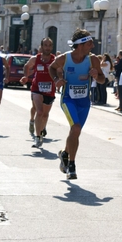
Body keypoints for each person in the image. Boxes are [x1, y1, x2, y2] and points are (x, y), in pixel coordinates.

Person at [48, 28, 105, 179]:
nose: (92, 46)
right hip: (68, 99)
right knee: (76, 128)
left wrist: (96, 75)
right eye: (89, 43)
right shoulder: (65, 59)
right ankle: (71, 165)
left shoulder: (93, 60)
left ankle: (65, 154)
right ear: (80, 45)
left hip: (84, 102)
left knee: (75, 131)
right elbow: (51, 68)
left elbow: (102, 79)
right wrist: (56, 80)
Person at [21, 37, 56, 148]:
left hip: (50, 90)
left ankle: (41, 129)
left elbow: (60, 71)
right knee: (39, 112)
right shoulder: (36, 59)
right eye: (45, 45)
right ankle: (37, 137)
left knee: (45, 115)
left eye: (49, 45)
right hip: (36, 88)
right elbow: (27, 66)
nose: (47, 47)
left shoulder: (55, 59)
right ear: (41, 46)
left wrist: (60, 79)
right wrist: (26, 76)